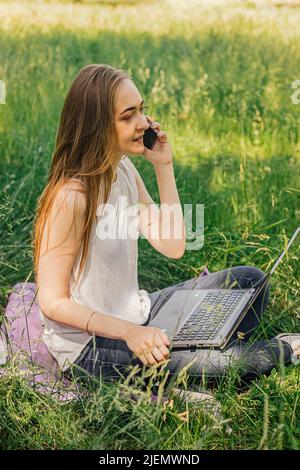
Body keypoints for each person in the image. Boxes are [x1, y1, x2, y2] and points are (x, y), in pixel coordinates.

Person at [33, 63, 300, 396]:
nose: (143, 123)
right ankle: (282, 349)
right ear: (96, 125)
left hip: (141, 314)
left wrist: (164, 166)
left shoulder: (125, 171)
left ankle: (181, 365)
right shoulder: (70, 197)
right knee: (233, 363)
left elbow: (173, 246)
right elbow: (52, 301)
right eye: (127, 116)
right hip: (91, 348)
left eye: (142, 111)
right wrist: (129, 333)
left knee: (249, 281)